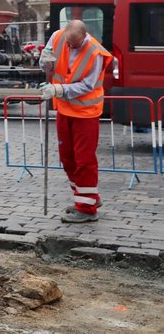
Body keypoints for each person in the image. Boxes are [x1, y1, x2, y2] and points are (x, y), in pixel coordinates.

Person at [39, 19, 113, 224]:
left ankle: (87, 209)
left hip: (86, 112)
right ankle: (88, 199)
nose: (70, 47)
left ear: (84, 37)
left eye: (75, 45)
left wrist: (59, 90)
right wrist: (44, 61)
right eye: (69, 43)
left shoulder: (95, 52)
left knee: (84, 160)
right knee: (68, 158)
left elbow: (88, 85)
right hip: (64, 108)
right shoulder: (57, 37)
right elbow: (47, 64)